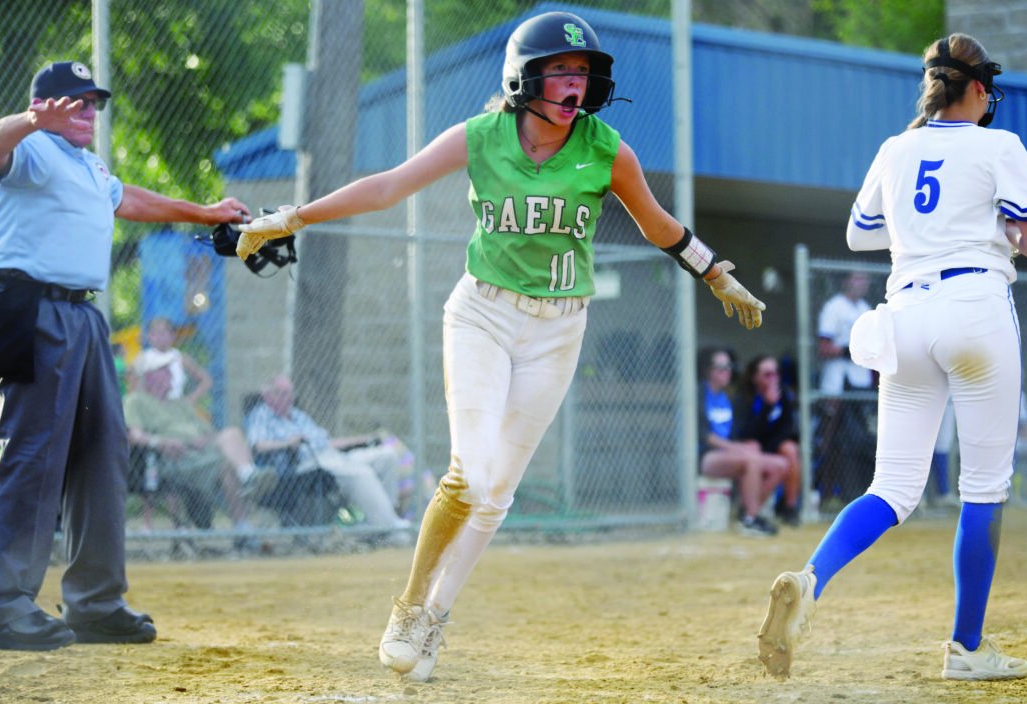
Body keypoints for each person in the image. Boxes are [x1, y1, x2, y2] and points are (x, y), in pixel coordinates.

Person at [235, 11, 766, 683]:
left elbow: (658, 224)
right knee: (473, 474)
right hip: (482, 315)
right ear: (524, 78)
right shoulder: (482, 136)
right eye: (562, 72)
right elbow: (388, 186)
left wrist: (718, 275)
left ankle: (434, 618)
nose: (577, 86)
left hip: (559, 329)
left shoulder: (607, 149)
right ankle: (406, 606)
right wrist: (293, 215)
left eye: (585, 74)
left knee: (497, 496)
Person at [757, 33, 1027, 682]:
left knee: (891, 487)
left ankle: (811, 579)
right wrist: (993, 227)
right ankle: (966, 648)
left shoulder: (896, 147)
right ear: (978, 88)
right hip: (975, 306)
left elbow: (860, 234)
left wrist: (929, 227)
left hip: (906, 315)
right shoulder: (999, 144)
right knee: (984, 488)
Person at [0, 61, 251, 650]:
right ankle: (1, 602)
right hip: (27, 307)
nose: (89, 111)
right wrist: (32, 120)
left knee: (102, 451)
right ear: (47, 106)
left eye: (93, 103)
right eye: (76, 101)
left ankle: (94, 601)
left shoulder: (87, 165)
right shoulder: (31, 148)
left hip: (82, 316)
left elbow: (128, 199)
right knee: (34, 454)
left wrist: (205, 212)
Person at [123, 354, 275, 534]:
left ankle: (246, 490)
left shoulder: (180, 403)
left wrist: (204, 441)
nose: (170, 373)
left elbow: (210, 433)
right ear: (149, 376)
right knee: (226, 463)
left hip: (202, 453)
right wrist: (162, 441)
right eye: (163, 371)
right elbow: (135, 436)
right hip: (174, 457)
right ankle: (248, 487)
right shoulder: (136, 401)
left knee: (231, 440)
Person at [243, 374, 411, 529]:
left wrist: (361, 440)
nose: (289, 398)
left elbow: (327, 442)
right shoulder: (262, 415)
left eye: (290, 393)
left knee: (387, 456)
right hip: (306, 463)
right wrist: (287, 443)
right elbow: (258, 445)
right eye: (282, 393)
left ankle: (384, 521)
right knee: (361, 473)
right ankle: (390, 528)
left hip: (332, 456)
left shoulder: (298, 415)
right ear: (267, 396)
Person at [697, 348, 786, 538]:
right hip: (706, 456)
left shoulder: (727, 397)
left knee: (779, 465)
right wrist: (738, 448)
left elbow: (738, 433)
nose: (726, 372)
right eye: (720, 368)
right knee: (751, 459)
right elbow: (705, 435)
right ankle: (750, 520)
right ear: (708, 370)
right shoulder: (700, 393)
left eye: (729, 367)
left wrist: (744, 446)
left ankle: (747, 512)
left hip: (727, 453)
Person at [813, 271, 877, 509]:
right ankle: (825, 494)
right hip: (837, 385)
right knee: (831, 441)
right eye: (857, 278)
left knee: (861, 441)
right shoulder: (834, 307)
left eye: (865, 278)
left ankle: (856, 493)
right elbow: (824, 347)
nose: (863, 283)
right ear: (845, 281)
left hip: (861, 386)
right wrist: (851, 351)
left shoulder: (866, 308)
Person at [737, 354, 802, 526]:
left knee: (789, 449)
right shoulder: (746, 398)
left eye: (776, 373)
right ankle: (748, 509)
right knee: (754, 447)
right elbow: (746, 433)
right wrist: (767, 405)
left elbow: (787, 427)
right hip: (750, 446)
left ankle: (789, 507)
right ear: (754, 377)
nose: (773, 379)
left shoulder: (783, 395)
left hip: (772, 445)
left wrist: (772, 447)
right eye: (767, 374)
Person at [134, 316, 213, 406]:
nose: (159, 337)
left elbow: (207, 380)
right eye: (154, 333)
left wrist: (190, 400)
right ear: (149, 336)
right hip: (151, 406)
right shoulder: (142, 359)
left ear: (172, 335)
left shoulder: (180, 357)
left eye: (163, 332)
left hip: (175, 405)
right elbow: (137, 387)